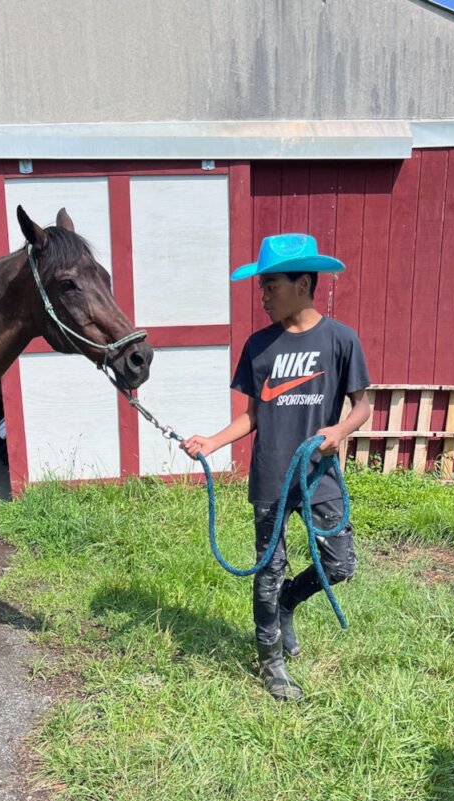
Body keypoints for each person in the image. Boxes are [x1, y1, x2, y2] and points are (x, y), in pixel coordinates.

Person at [181, 234, 371, 702]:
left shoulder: (341, 340)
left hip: (318, 478)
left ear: (303, 283)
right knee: (268, 570)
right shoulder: (259, 346)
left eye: (270, 286)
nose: (263, 295)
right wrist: (212, 440)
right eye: (261, 287)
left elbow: (363, 407)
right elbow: (252, 415)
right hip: (270, 477)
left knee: (340, 563)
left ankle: (288, 604)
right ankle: (271, 663)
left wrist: (339, 431)